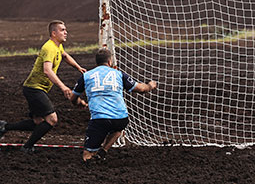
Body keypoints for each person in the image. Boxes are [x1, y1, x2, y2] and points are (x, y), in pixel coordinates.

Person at [0, 20, 86, 152]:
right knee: (52, 119)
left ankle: (4, 127)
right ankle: (27, 147)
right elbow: (47, 70)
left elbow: (65, 55)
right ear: (54, 33)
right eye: (62, 30)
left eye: (65, 29)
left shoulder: (57, 46)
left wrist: (78, 67)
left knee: (39, 122)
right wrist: (63, 87)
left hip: (37, 89)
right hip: (34, 89)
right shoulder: (49, 47)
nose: (66, 32)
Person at [70, 48, 157, 164]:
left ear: (97, 63)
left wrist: (79, 102)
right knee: (118, 129)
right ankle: (104, 150)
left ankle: (93, 162)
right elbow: (141, 89)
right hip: (121, 119)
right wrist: (150, 85)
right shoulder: (119, 74)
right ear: (110, 62)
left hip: (100, 120)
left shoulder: (86, 76)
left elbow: (73, 98)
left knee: (87, 155)